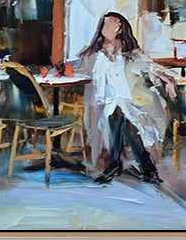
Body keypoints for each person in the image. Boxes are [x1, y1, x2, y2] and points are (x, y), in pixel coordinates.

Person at [74, 12, 177, 183]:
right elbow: (82, 69)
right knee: (119, 119)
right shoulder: (95, 52)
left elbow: (149, 65)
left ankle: (117, 166)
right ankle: (145, 169)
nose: (114, 27)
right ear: (102, 27)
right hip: (107, 100)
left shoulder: (128, 50)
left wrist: (168, 79)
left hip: (131, 98)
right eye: (109, 24)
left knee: (125, 121)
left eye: (117, 24)